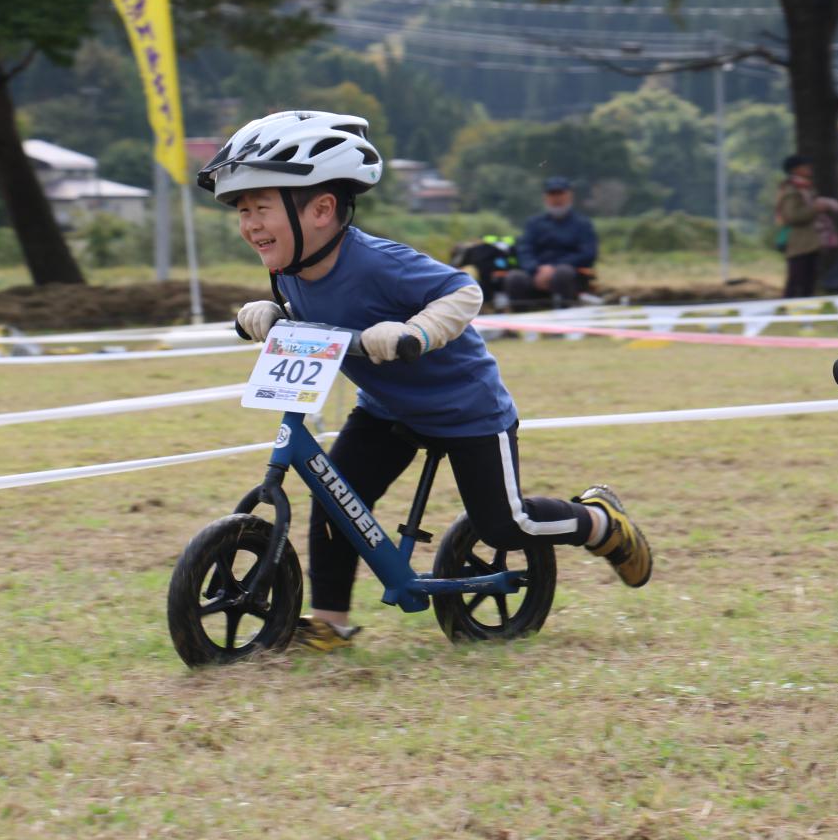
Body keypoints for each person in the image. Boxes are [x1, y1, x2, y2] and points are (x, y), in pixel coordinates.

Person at [200, 111, 651, 651]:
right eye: (242, 211)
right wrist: (270, 313)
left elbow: (463, 291)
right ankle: (330, 624)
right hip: (388, 410)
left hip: (466, 410)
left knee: (505, 526)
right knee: (336, 502)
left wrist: (417, 331)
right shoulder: (288, 266)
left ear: (321, 209)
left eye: (261, 208)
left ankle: (600, 523)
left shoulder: (378, 263)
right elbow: (310, 314)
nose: (249, 224)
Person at [510, 176, 599, 308]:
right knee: (514, 278)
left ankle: (565, 314)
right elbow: (524, 250)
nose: (556, 199)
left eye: (560, 194)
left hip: (570, 274)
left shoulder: (583, 224)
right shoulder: (533, 223)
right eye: (552, 194)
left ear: (569, 196)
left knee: (562, 273)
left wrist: (554, 268)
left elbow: (588, 253)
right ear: (545, 197)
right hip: (536, 273)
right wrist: (536, 269)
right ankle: (519, 322)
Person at [775, 155, 838, 298]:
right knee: (796, 280)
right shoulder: (791, 190)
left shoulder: (807, 188)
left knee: (808, 281)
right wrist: (815, 209)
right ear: (795, 170)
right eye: (805, 166)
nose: (809, 169)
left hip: (811, 243)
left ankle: (804, 311)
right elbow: (792, 216)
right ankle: (788, 308)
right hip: (799, 244)